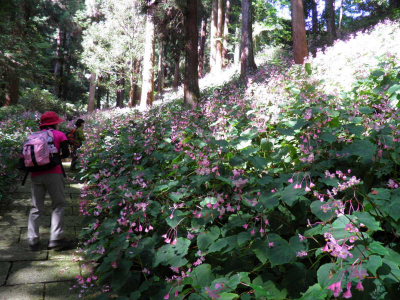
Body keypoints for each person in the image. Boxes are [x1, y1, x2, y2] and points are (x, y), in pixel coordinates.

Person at [27, 111, 72, 251]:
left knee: (36, 207)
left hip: (35, 174)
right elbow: (66, 153)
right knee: (58, 204)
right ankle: (56, 238)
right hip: (53, 173)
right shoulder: (59, 135)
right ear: (55, 123)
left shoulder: (32, 136)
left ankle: (33, 240)